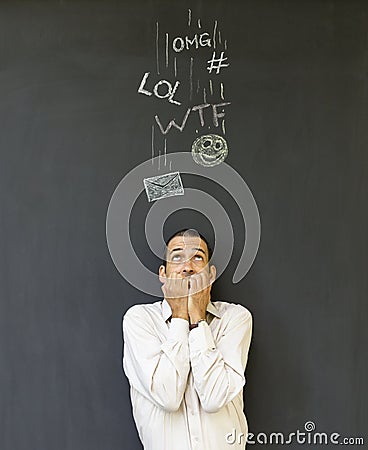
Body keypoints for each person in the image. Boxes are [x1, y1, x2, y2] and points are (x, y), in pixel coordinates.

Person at [122, 228, 253, 450]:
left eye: (198, 257)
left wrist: (198, 320)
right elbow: (168, 396)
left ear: (211, 275)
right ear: (163, 274)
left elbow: (214, 398)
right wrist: (180, 316)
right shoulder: (140, 320)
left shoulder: (235, 318)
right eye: (177, 257)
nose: (187, 267)